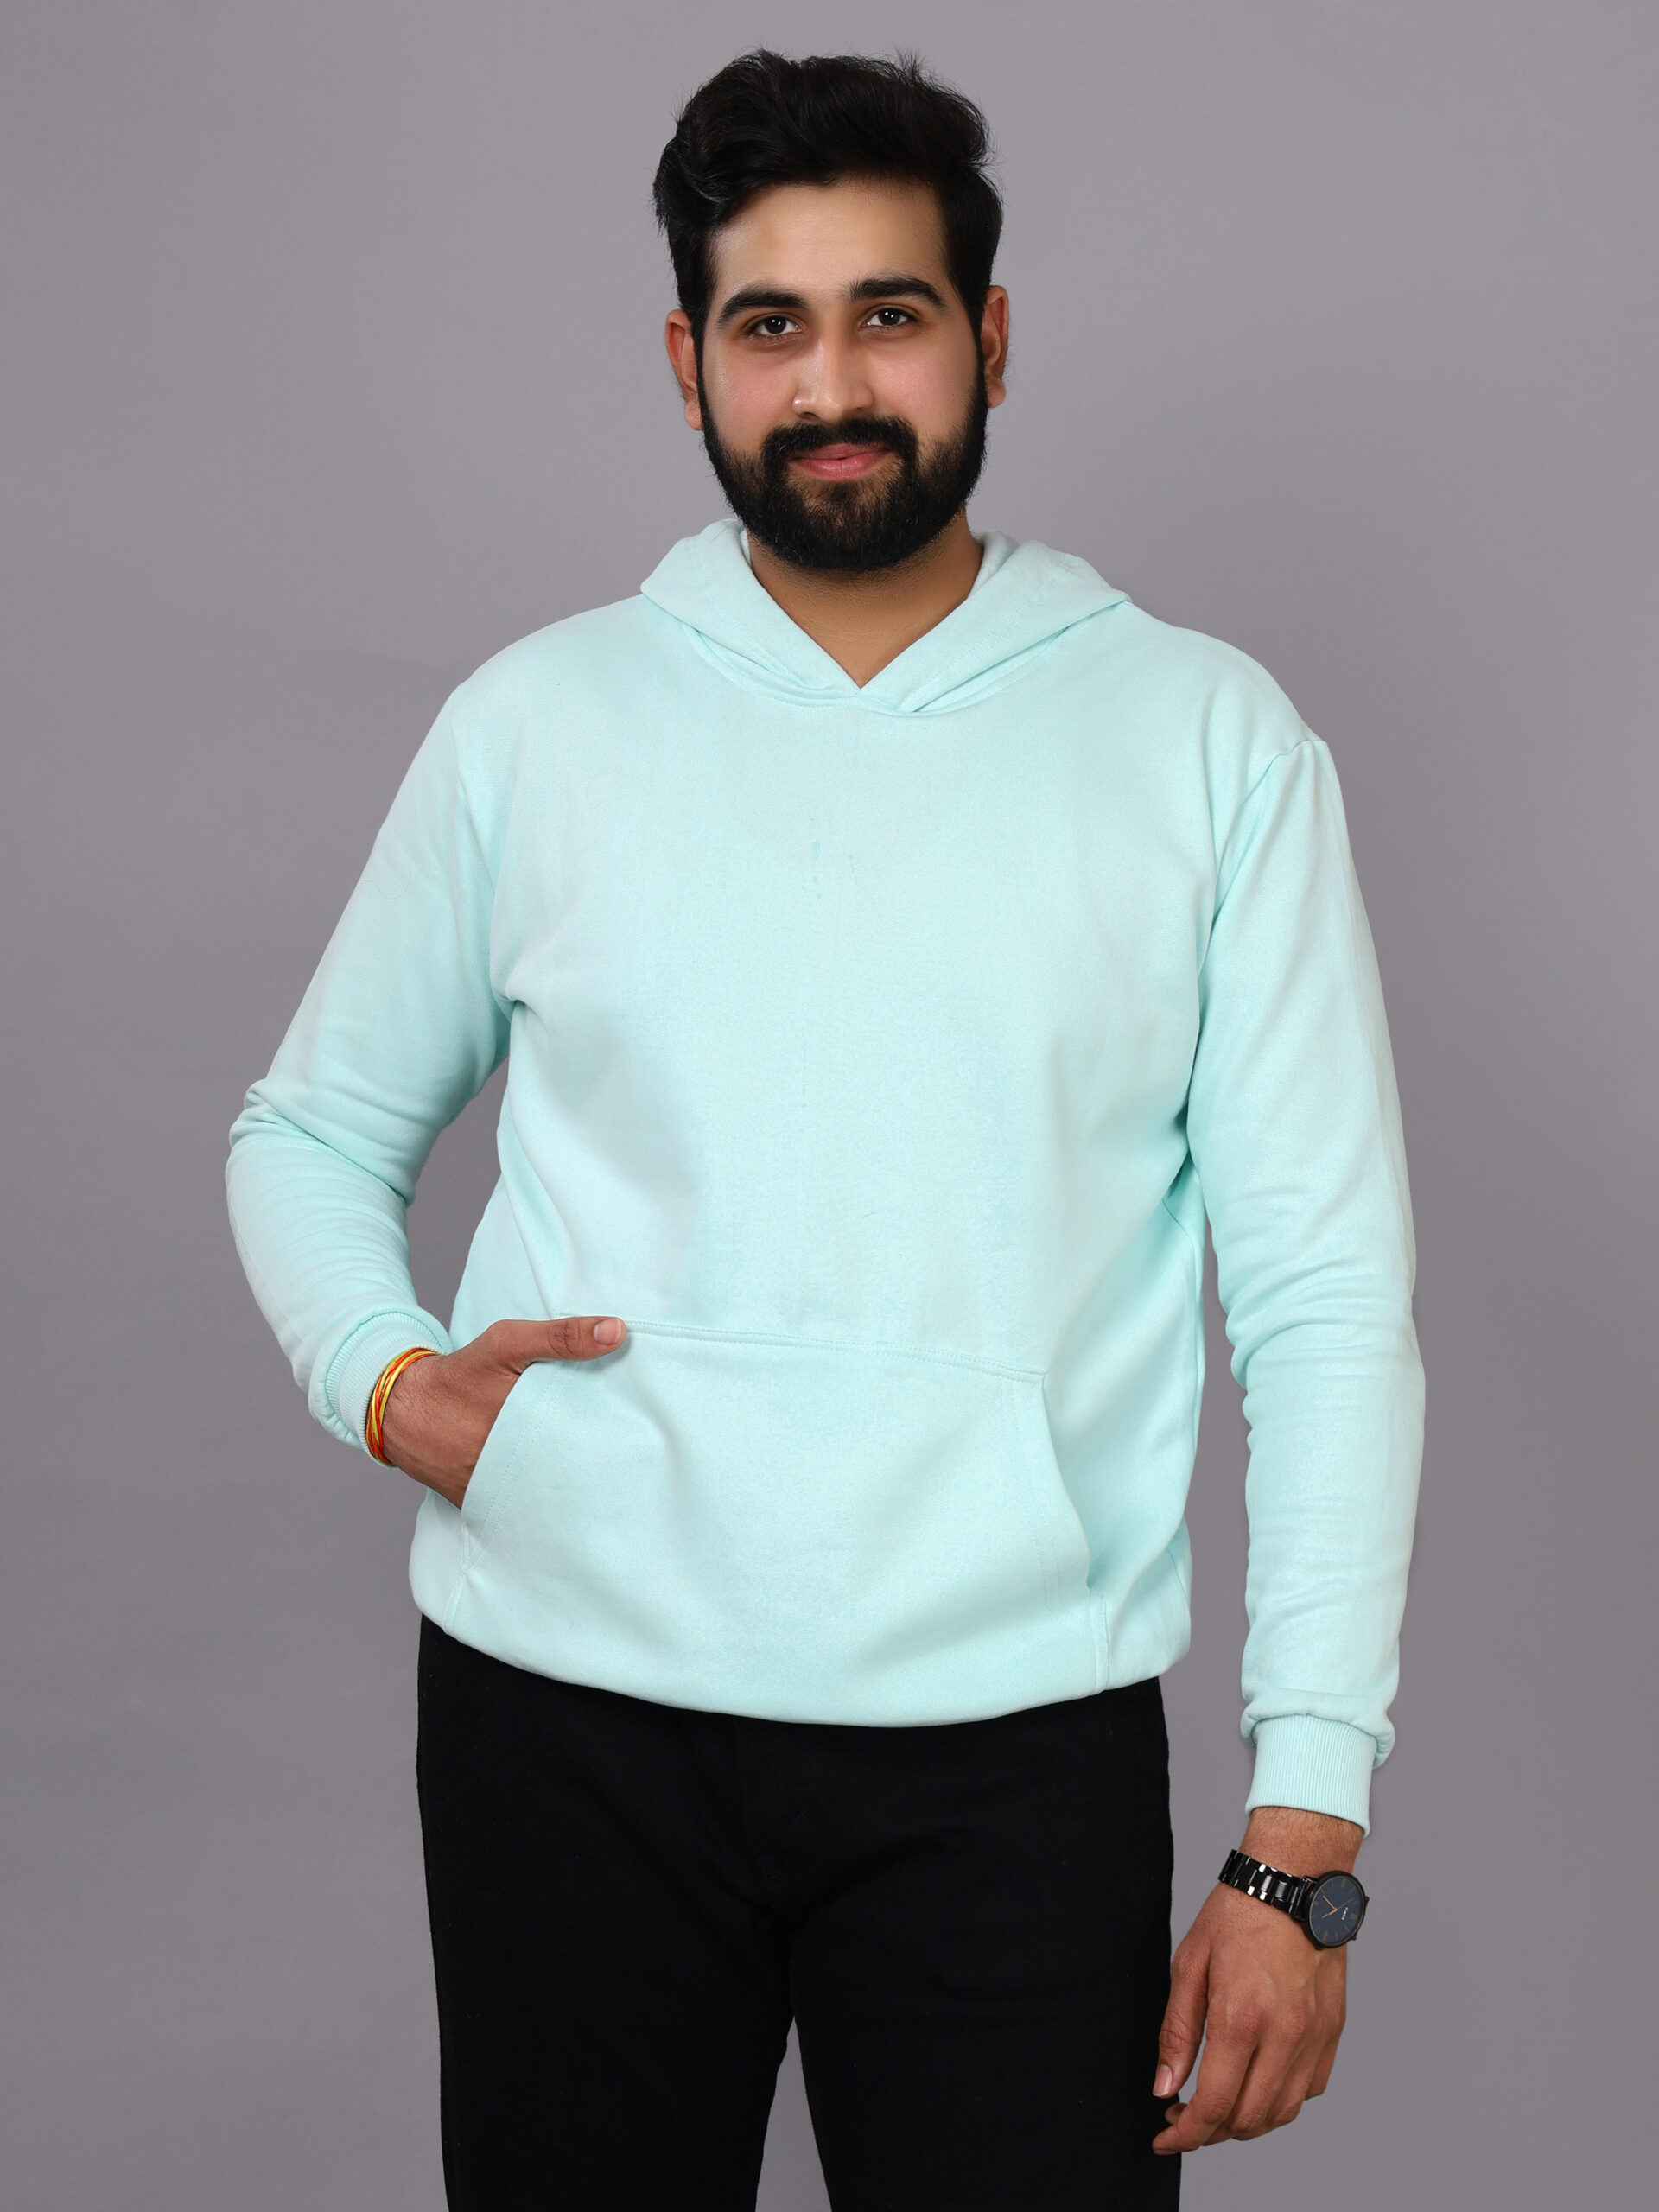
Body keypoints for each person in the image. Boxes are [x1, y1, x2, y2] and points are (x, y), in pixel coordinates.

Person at [227, 47, 1424, 2211]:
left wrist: (1303, 1829)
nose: (833, 383)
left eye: (892, 313)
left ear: (992, 337)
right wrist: (384, 1379)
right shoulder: (536, 722)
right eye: (770, 323)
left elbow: (1326, 1296)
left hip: (1012, 1752)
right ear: (687, 362)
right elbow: (305, 1132)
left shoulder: (1204, 739)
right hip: (562, 1721)